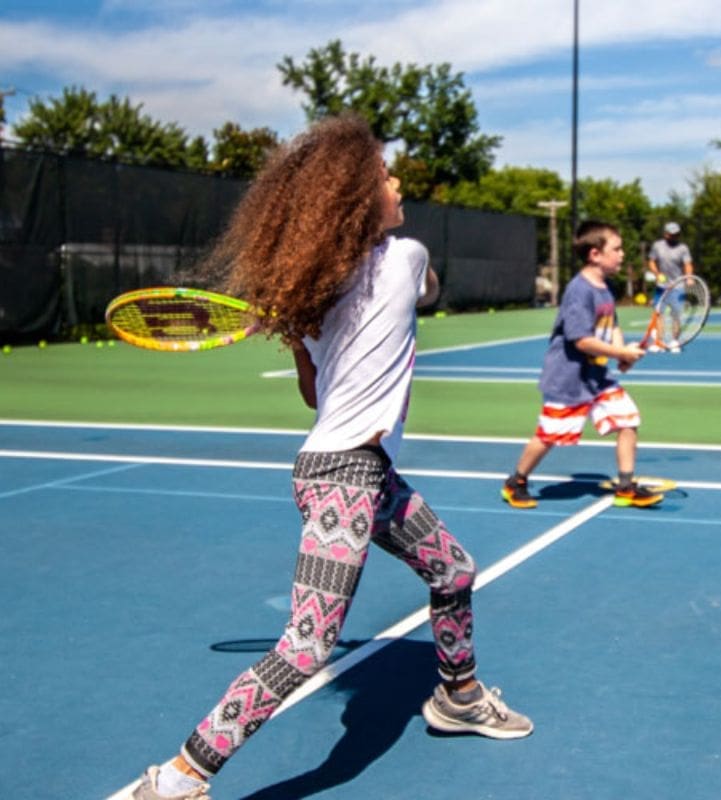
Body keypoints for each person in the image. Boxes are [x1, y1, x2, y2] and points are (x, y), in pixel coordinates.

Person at [130, 115, 531, 800]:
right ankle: (181, 777)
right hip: (343, 478)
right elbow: (419, 288)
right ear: (352, 199)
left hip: (367, 477)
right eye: (383, 175)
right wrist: (294, 321)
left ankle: (458, 697)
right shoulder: (400, 259)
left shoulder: (323, 296)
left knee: (454, 571)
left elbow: (318, 394)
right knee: (308, 645)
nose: (396, 181)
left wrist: (294, 327)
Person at [501, 220, 664, 510]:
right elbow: (582, 340)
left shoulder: (606, 288)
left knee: (628, 420)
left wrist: (622, 354)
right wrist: (618, 351)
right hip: (568, 381)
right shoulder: (579, 291)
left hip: (597, 377)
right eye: (617, 248)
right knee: (549, 435)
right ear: (595, 254)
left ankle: (626, 487)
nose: (622, 254)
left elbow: (611, 324)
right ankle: (516, 481)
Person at [645, 221, 695, 353]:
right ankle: (659, 341)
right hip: (661, 287)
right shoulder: (657, 246)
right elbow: (651, 261)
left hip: (677, 286)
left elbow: (688, 264)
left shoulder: (683, 248)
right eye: (672, 234)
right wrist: (657, 273)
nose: (674, 236)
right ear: (665, 234)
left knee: (676, 315)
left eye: (677, 234)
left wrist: (689, 277)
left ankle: (674, 341)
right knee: (658, 314)